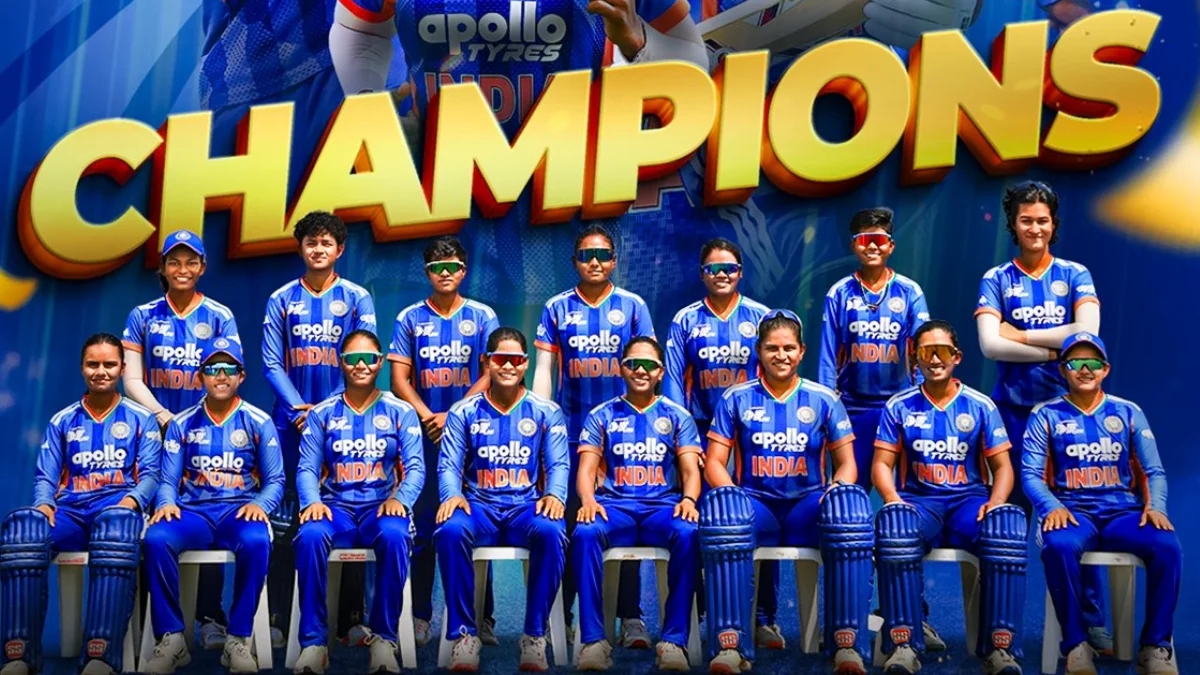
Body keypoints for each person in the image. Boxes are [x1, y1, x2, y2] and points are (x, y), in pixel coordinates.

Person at [697, 310, 873, 674]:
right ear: (759, 352)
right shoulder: (736, 398)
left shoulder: (823, 399)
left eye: (789, 348)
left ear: (802, 351)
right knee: (724, 516)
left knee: (850, 513)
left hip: (807, 505)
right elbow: (714, 462)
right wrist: (730, 495)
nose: (781, 355)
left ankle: (846, 642)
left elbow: (847, 465)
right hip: (755, 504)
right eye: (772, 348)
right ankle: (730, 643)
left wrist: (838, 489)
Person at [974, 180, 1110, 650]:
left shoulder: (1075, 274)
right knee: (1005, 521)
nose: (1035, 228)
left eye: (1043, 220)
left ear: (1054, 224)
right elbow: (990, 345)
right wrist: (1059, 348)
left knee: (1077, 517)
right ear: (1013, 225)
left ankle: (1091, 622)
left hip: (1070, 416)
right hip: (1010, 415)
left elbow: (1088, 337)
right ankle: (996, 626)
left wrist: (1022, 336)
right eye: (1026, 220)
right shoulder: (996, 278)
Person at [872, 320, 1026, 675]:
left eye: (942, 351)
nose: (935, 359)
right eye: (927, 352)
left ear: (957, 357)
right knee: (894, 530)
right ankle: (904, 643)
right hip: (918, 502)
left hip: (968, 503)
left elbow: (1003, 468)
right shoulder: (899, 406)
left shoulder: (980, 405)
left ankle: (1000, 647)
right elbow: (881, 464)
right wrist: (892, 498)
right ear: (916, 358)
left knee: (1004, 531)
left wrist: (996, 502)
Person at [0, 334, 159, 675]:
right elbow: (46, 476)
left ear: (122, 368)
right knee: (24, 533)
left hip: (117, 511)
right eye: (92, 364)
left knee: (115, 531)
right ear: (82, 368)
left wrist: (130, 502)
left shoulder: (140, 418)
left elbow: (150, 476)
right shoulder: (63, 420)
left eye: (109, 364)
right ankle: (19, 654)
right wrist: (44, 505)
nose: (101, 371)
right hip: (71, 512)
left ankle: (101, 655)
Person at [1023, 332, 1181, 675]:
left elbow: (1154, 471)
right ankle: (1076, 646)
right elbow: (1031, 475)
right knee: (1059, 546)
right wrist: (1051, 507)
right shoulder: (1044, 414)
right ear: (1062, 370)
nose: (1085, 369)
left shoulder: (1128, 411)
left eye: (1093, 362)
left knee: (1167, 546)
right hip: (1072, 512)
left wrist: (1156, 507)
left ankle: (1155, 646)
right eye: (1075, 362)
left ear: (1105, 369)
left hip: (1122, 513)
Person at [534, 224, 657, 647]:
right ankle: (565, 617)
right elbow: (545, 372)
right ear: (575, 262)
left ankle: (631, 618)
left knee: (627, 521)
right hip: (569, 435)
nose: (595, 262)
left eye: (603, 255)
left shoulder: (634, 306)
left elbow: (647, 367)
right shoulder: (556, 307)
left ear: (614, 262)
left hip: (626, 437)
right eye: (587, 255)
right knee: (573, 525)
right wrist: (542, 427)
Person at [263, 210, 377, 645]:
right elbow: (271, 363)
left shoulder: (357, 298)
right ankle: (278, 618)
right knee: (285, 518)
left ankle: (350, 618)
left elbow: (362, 360)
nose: (318, 249)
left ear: (339, 249)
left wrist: (327, 411)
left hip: (344, 422)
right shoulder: (281, 299)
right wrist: (299, 408)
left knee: (347, 506)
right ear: (301, 248)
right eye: (311, 242)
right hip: (289, 423)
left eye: (326, 243)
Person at [122, 229, 240, 650]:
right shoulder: (143, 315)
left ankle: (210, 617)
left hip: (209, 435)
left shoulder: (220, 315)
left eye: (191, 262)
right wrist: (163, 416)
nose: (183, 269)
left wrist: (194, 421)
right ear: (164, 268)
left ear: (203, 267)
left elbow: (227, 376)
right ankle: (154, 623)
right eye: (174, 261)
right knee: (156, 522)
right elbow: (131, 378)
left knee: (210, 511)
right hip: (155, 434)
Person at [142, 338, 285, 675]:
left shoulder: (258, 421)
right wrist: (165, 503)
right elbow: (167, 480)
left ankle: (237, 638)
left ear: (241, 376)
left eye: (229, 368)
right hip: (193, 513)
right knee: (157, 538)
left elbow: (276, 480)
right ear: (200, 376)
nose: (221, 375)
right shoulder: (181, 423)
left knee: (257, 540)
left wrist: (261, 504)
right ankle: (172, 638)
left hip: (238, 512)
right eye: (212, 369)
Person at [434, 327, 570, 671]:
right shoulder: (463, 411)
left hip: (525, 509)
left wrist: (555, 494)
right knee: (449, 530)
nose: (508, 366)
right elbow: (449, 464)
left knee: (552, 530)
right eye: (500, 359)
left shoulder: (546, 410)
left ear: (525, 364)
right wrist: (451, 495)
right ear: (486, 362)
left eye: (516, 360)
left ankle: (534, 636)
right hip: (478, 508)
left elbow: (558, 463)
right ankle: (465, 635)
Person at [388, 236, 500, 645]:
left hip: (472, 435)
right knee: (423, 528)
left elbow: (491, 373)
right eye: (437, 268)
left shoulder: (483, 316)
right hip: (424, 435)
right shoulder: (410, 318)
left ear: (464, 271)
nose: (445, 273)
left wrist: (455, 414)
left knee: (470, 526)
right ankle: (420, 616)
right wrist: (426, 415)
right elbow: (399, 379)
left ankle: (482, 618)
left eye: (452, 266)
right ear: (427, 273)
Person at [292, 330, 425, 675]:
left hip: (381, 508)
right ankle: (314, 643)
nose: (361, 365)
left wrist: (401, 498)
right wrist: (311, 501)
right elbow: (307, 467)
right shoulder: (322, 413)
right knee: (309, 535)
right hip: (335, 509)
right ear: (341, 363)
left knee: (396, 535)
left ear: (381, 363)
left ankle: (383, 639)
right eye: (353, 358)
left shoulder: (401, 411)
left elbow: (415, 468)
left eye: (369, 358)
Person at [571, 337, 703, 671]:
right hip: (614, 508)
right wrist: (587, 499)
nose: (641, 371)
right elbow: (586, 470)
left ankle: (673, 641)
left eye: (649, 365)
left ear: (660, 372)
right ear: (621, 369)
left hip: (662, 509)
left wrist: (689, 499)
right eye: (633, 364)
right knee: (584, 532)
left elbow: (691, 471)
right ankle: (593, 640)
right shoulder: (601, 415)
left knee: (688, 532)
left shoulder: (678, 415)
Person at [818, 207, 930, 492]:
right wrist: (828, 407)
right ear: (853, 245)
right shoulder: (839, 293)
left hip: (902, 406)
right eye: (864, 239)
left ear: (891, 246)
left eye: (879, 240)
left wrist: (923, 400)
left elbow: (923, 351)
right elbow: (828, 355)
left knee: (908, 490)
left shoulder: (910, 292)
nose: (871, 246)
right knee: (851, 489)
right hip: (853, 408)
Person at [664, 237, 770, 444]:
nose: (721, 275)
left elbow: (775, 373)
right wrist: (681, 433)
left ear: (740, 272)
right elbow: (673, 379)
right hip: (701, 430)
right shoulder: (685, 319)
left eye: (729, 268)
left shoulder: (762, 317)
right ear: (702, 274)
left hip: (753, 428)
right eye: (713, 269)